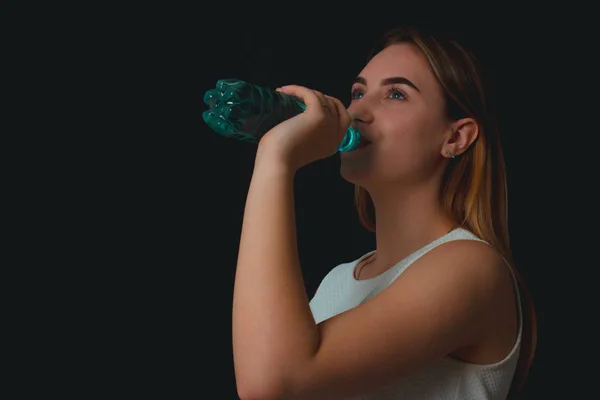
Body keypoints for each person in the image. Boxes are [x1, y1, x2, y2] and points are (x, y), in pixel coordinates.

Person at [231, 26, 537, 400]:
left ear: (455, 138)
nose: (357, 110)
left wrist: (276, 158)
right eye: (358, 92)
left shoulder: (473, 268)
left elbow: (272, 380)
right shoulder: (338, 282)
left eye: (396, 94)